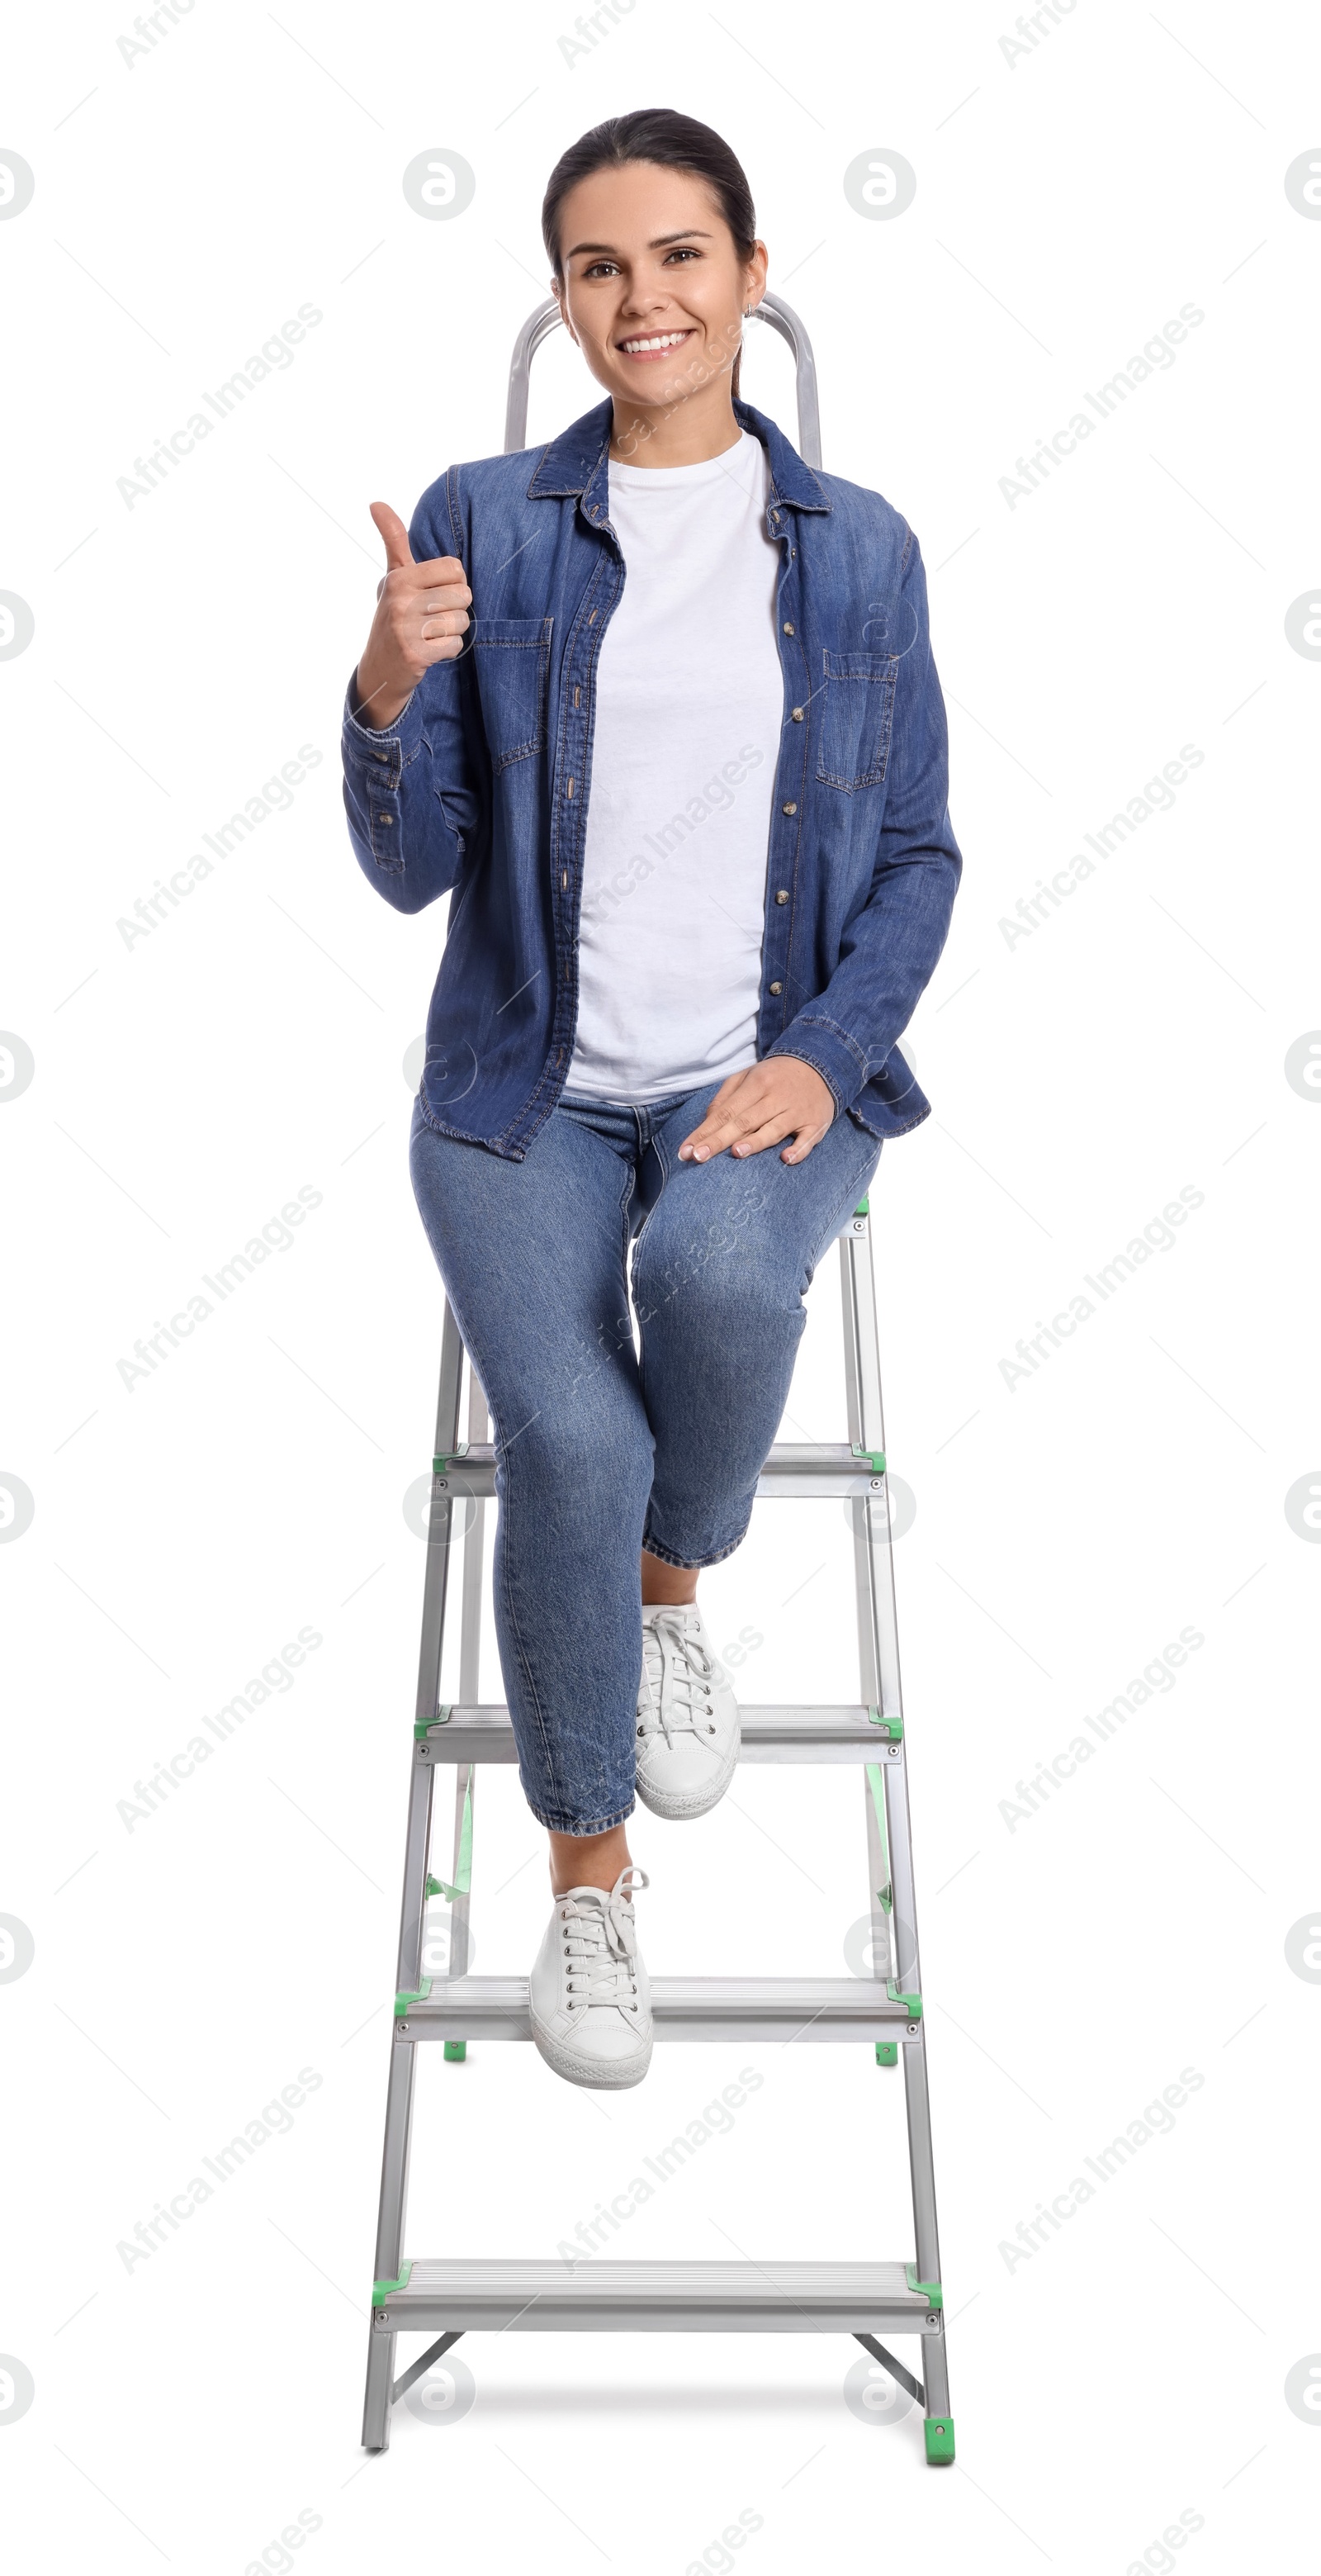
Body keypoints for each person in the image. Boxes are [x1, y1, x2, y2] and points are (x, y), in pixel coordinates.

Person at [342, 108, 962, 2092]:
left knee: (711, 1292)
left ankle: (670, 1590)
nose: (644, 299)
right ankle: (589, 1881)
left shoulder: (856, 548)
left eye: (681, 257)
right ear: (562, 295)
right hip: (523, 1090)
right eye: (601, 267)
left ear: (749, 278)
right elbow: (409, 868)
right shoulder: (486, 515)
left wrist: (813, 1054)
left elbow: (922, 856)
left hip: (764, 1071)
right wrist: (381, 686)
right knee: (570, 1445)